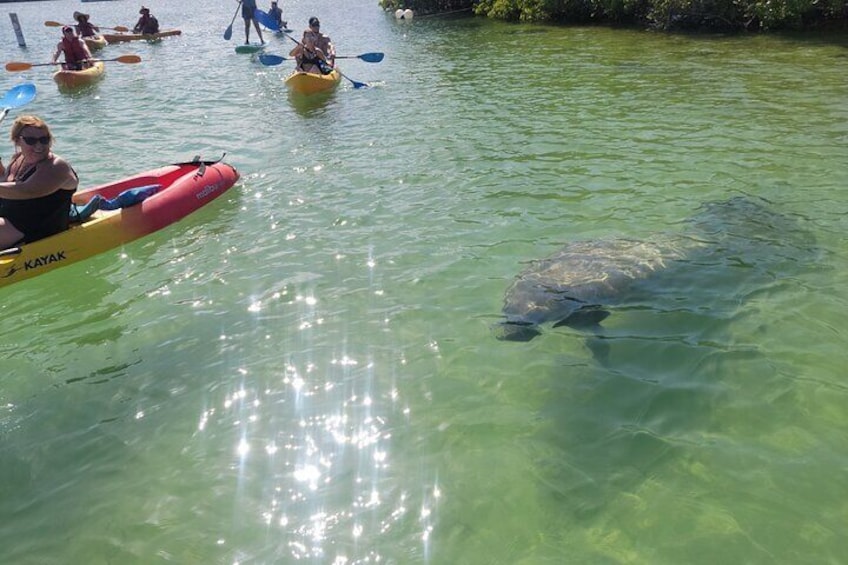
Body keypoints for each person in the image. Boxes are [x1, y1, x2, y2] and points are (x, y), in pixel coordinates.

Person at [0, 116, 79, 248]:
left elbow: (26, 190)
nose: (39, 146)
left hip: (35, 229)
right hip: (8, 218)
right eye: (31, 141)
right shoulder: (18, 158)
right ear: (17, 141)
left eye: (44, 140)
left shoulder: (57, 166)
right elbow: (3, 181)